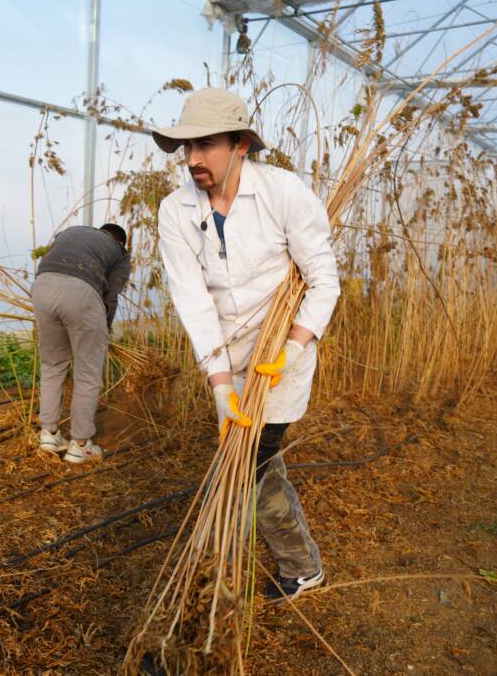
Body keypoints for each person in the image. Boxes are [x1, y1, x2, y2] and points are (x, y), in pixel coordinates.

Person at [154, 88, 340, 601]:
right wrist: (218, 384)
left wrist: (293, 350)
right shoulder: (175, 211)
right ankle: (302, 566)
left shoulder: (283, 192)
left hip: (280, 363)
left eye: (204, 144)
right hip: (228, 369)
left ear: (239, 144)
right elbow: (193, 300)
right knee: (260, 472)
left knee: (239, 472)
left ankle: (209, 600)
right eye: (184, 147)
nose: (191, 159)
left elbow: (325, 279)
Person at [31, 223, 131, 463]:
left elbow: (51, 254)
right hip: (82, 293)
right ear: (120, 242)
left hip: (42, 286)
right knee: (87, 373)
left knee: (52, 365)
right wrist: (103, 331)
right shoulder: (120, 253)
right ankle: (81, 445)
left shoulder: (72, 231)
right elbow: (111, 296)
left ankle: (50, 434)